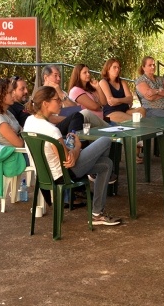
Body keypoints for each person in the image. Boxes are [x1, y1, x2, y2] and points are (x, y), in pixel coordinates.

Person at [23, 86, 121, 225]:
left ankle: (97, 214)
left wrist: (71, 149)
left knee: (106, 164)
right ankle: (92, 178)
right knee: (105, 140)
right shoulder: (52, 131)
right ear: (45, 103)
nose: (61, 103)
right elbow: (69, 161)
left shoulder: (30, 121)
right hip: (63, 175)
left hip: (44, 174)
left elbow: (59, 154)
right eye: (57, 100)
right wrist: (77, 146)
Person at [8, 75, 85, 138]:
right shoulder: (12, 108)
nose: (26, 91)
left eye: (26, 88)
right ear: (13, 91)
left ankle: (73, 140)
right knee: (77, 116)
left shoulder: (24, 105)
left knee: (77, 118)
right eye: (22, 89)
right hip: (42, 135)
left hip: (46, 132)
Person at [40, 65, 109, 129]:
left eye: (59, 76)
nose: (58, 79)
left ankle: (110, 129)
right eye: (55, 76)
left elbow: (74, 108)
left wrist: (60, 93)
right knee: (85, 113)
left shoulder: (62, 93)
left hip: (69, 125)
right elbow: (48, 118)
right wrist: (72, 118)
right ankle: (109, 129)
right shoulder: (41, 94)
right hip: (53, 128)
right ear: (46, 77)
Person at [98, 58, 146, 123]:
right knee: (135, 120)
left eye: (118, 67)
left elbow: (130, 99)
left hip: (125, 110)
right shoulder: (103, 82)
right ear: (108, 69)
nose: (117, 70)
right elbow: (111, 101)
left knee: (142, 110)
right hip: (112, 112)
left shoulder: (122, 82)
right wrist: (124, 100)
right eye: (114, 67)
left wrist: (118, 100)